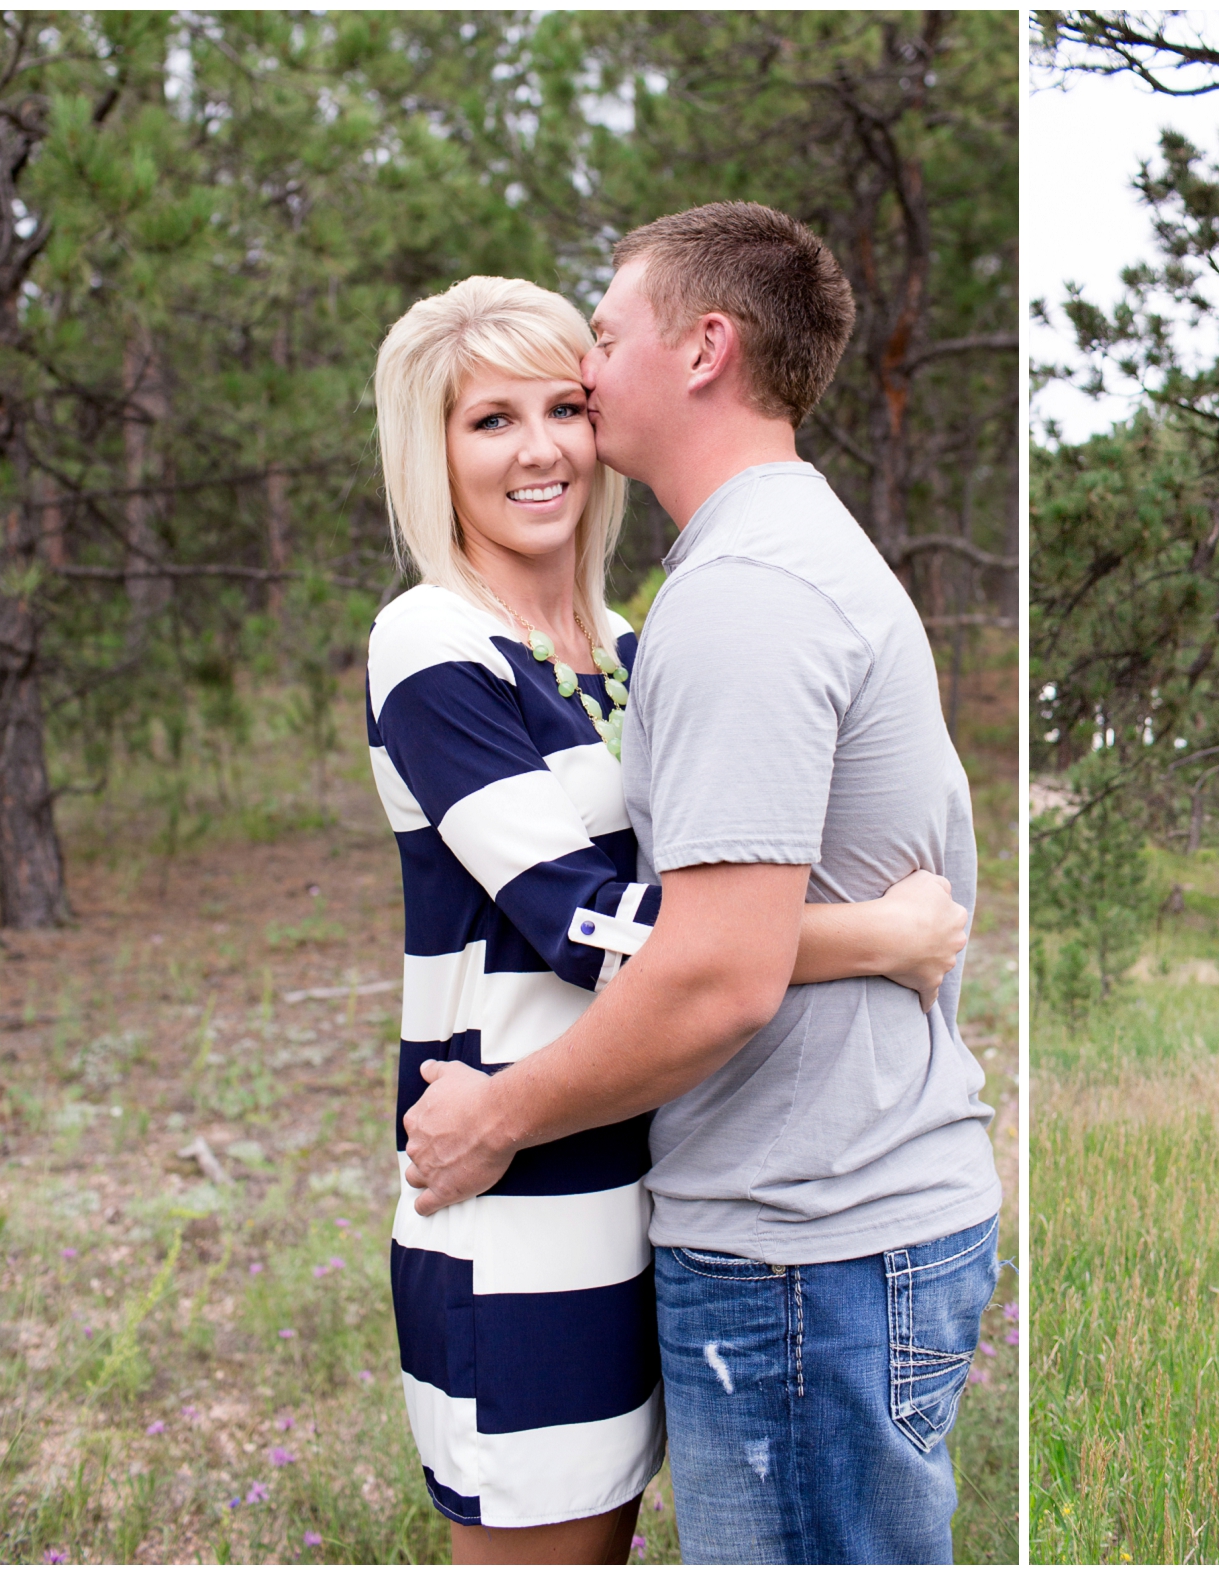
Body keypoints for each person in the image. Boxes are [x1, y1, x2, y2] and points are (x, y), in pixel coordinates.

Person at [397, 203, 1003, 1564]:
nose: (584, 386)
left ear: (703, 348)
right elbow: (613, 915)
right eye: (493, 416)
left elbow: (719, 967)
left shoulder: (734, 597)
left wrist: (498, 1112)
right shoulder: (748, 571)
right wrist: (878, 934)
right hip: (773, 1212)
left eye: (598, 345)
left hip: (810, 1231)